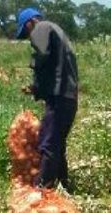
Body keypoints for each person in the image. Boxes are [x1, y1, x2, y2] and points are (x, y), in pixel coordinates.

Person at [15, 7, 79, 191]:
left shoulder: (41, 27)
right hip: (67, 96)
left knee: (48, 142)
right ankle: (64, 185)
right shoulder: (56, 30)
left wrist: (34, 70)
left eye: (26, 32)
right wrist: (37, 88)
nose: (29, 37)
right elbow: (54, 65)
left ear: (29, 23)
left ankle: (42, 189)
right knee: (56, 142)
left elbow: (42, 54)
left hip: (60, 96)